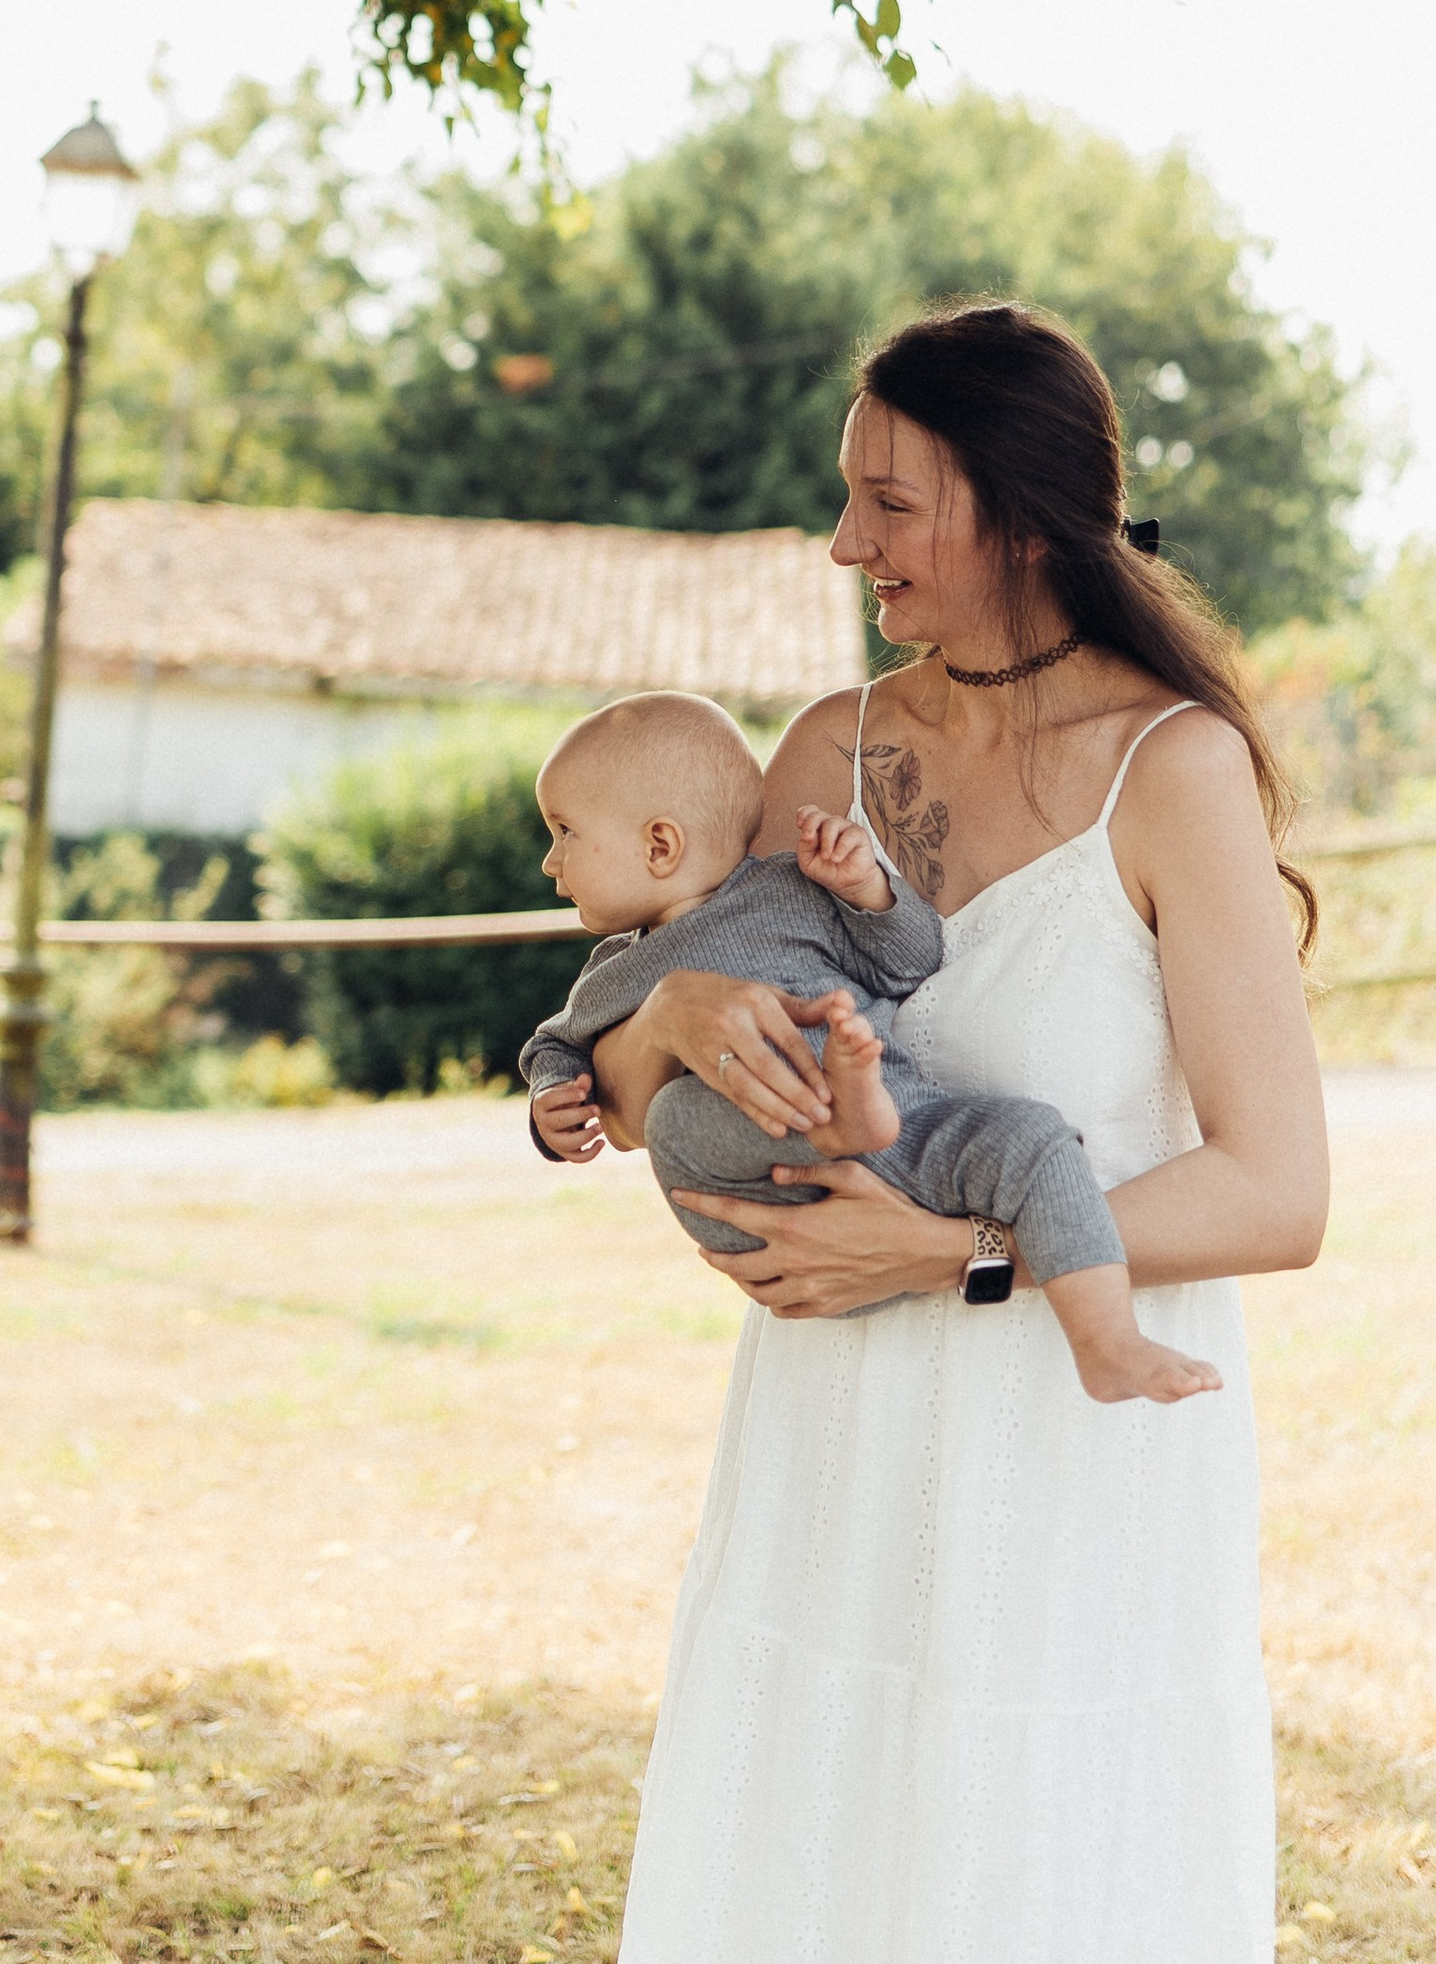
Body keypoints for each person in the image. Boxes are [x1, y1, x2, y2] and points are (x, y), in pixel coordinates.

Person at [543, 300, 1327, 1964]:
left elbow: (1281, 1190)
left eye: (890, 503)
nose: (847, 541)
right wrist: (656, 1024)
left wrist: (955, 1253)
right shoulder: (834, 750)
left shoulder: (1173, 775)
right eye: (851, 496)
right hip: (836, 1449)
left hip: (1063, 1458)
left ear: (1020, 510)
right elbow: (636, 1078)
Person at [518, 694, 1219, 1402]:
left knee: (1036, 1139)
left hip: (907, 1132)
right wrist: (550, 1100)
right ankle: (837, 1114)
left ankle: (1107, 1343)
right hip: (781, 1210)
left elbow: (910, 961)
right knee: (677, 1114)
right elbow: (557, 1046)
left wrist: (869, 891)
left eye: (564, 832)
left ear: (660, 845)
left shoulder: (797, 889)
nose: (551, 861)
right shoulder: (616, 971)